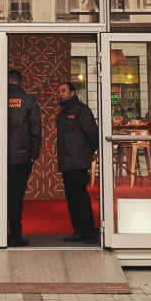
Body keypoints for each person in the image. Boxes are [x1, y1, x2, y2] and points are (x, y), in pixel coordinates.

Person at [0, 69, 41, 247]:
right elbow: (35, 131)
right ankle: (15, 235)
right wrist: (33, 156)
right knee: (16, 197)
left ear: (5, 82)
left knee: (0, 194)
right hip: (22, 157)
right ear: (21, 82)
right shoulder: (29, 101)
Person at [55, 81, 99, 244]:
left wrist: (88, 153)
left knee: (81, 198)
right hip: (66, 162)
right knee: (71, 199)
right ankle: (79, 231)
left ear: (73, 93)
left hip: (79, 162)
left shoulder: (81, 110)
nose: (60, 93)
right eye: (59, 91)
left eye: (64, 90)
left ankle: (89, 233)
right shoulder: (62, 114)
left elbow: (93, 135)